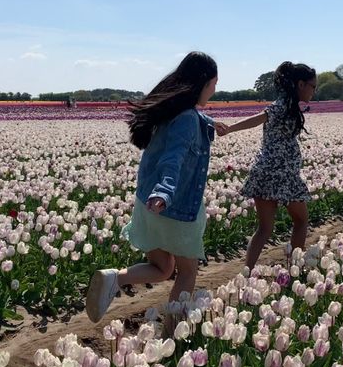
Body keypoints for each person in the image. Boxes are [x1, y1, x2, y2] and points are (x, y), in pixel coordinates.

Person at [85, 52, 225, 326]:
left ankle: (116, 277)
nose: (215, 89)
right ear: (203, 83)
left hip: (147, 207)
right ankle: (173, 332)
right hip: (174, 206)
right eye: (214, 83)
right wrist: (165, 192)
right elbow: (173, 159)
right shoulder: (186, 119)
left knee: (162, 268)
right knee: (186, 272)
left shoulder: (170, 113)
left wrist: (209, 124)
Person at [221, 61, 316, 271]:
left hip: (263, 172)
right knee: (300, 221)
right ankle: (294, 269)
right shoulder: (282, 105)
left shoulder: (286, 105)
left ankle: (247, 273)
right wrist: (230, 129)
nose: (314, 91)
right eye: (312, 86)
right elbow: (258, 118)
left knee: (264, 229)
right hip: (284, 175)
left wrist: (229, 130)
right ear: (301, 84)